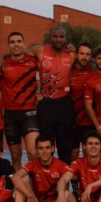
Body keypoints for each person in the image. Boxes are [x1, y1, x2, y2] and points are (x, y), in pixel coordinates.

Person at [32, 26, 80, 164]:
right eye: (55, 36)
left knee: (65, 145)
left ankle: (64, 174)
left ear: (66, 39)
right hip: (46, 104)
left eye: (61, 36)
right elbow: (19, 55)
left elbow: (88, 62)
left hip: (64, 103)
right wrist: (2, 57)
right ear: (50, 38)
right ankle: (47, 174)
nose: (58, 39)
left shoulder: (71, 54)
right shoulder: (40, 50)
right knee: (46, 144)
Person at [0, 31, 40, 169]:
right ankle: (19, 183)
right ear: (8, 45)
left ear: (24, 44)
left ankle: (36, 181)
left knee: (33, 152)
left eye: (19, 41)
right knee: (15, 156)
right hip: (10, 114)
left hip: (30, 112)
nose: (16, 44)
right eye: (12, 42)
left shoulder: (33, 61)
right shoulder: (2, 62)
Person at [10, 135, 68, 202]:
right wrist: (30, 196)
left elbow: (64, 194)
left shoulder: (61, 166)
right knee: (22, 181)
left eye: (47, 148)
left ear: (53, 148)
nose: (44, 151)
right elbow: (15, 177)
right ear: (36, 150)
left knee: (62, 201)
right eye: (41, 148)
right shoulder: (33, 163)